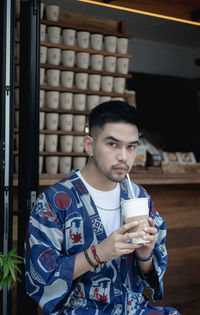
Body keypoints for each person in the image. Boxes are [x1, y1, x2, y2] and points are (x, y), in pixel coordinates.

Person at [24, 101, 180, 314]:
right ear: (89, 145)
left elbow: (152, 271)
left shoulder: (139, 196)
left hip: (134, 308)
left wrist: (144, 256)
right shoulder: (54, 201)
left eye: (131, 146)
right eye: (113, 145)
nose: (123, 156)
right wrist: (98, 254)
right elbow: (40, 275)